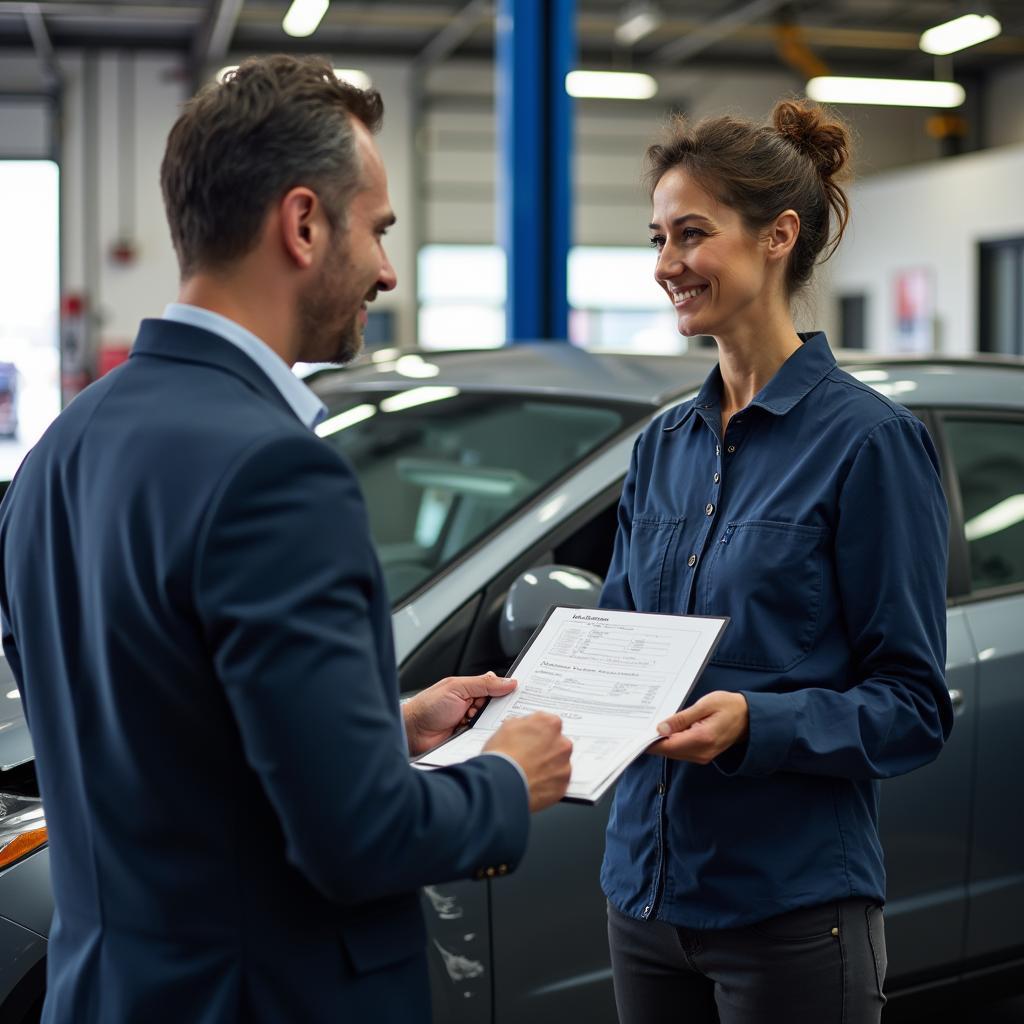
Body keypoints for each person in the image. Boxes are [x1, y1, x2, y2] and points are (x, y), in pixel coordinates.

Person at [0, 55, 572, 1024]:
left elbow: (137, 737)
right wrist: (506, 780)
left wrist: (378, 725)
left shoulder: (65, 443)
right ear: (304, 223)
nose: (387, 272)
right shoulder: (275, 469)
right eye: (379, 230)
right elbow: (359, 837)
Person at [598, 99, 952, 1024]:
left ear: (776, 237)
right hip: (642, 894)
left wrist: (760, 723)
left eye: (691, 235)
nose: (667, 264)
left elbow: (913, 708)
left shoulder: (870, 445)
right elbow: (617, 644)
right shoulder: (661, 446)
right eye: (658, 238)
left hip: (790, 910)